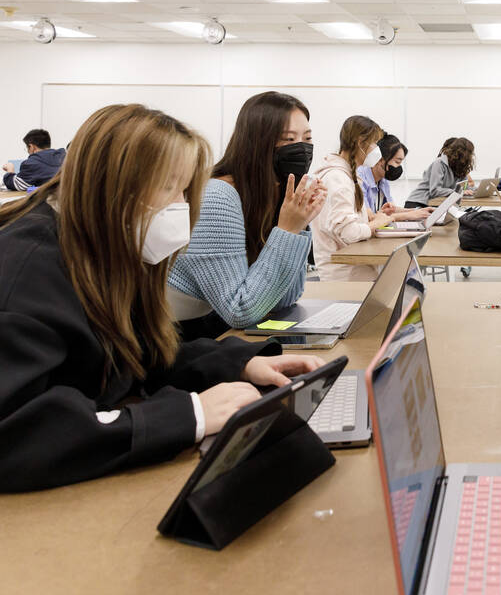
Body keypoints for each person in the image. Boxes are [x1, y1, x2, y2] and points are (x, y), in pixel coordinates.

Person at [0, 104, 324, 492]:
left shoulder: (105, 246)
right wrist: (189, 415)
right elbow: (16, 433)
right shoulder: (28, 265)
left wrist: (237, 363)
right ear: (116, 184)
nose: (182, 206)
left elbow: (134, 357)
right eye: (171, 188)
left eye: (185, 190)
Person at [168, 92, 326, 340]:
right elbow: (239, 311)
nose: (302, 149)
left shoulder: (270, 194)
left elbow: (283, 298)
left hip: (220, 331)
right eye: (289, 139)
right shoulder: (217, 196)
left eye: (307, 138)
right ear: (258, 143)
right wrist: (288, 230)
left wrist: (299, 222)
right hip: (184, 339)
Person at [312, 117, 429, 281]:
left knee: (405, 268)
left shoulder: (347, 177)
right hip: (347, 273)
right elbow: (349, 233)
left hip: (356, 265)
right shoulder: (338, 179)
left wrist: (375, 217)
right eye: (374, 143)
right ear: (360, 142)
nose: (377, 150)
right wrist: (377, 222)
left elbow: (350, 221)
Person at [357, 134, 431, 222]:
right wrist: (408, 215)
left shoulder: (383, 180)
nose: (399, 167)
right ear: (380, 160)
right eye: (397, 162)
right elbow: (369, 217)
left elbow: (390, 210)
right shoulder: (360, 178)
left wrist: (417, 211)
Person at [405, 137, 475, 207]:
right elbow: (435, 191)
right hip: (419, 202)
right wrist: (458, 192)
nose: (470, 157)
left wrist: (477, 191)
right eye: (469, 153)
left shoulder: (460, 167)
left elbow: (465, 188)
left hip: (436, 204)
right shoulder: (439, 163)